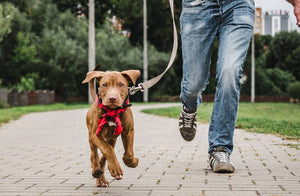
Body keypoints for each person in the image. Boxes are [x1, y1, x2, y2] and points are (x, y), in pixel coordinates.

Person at [178, 0, 300, 173]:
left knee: (230, 72)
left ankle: (220, 149)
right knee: (194, 83)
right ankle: (189, 108)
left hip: (238, 5)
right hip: (197, 7)